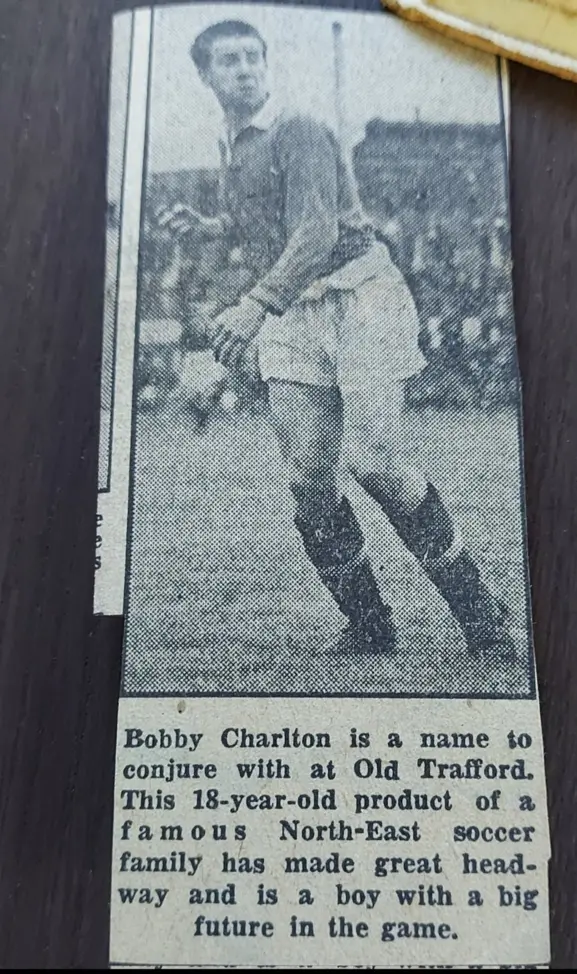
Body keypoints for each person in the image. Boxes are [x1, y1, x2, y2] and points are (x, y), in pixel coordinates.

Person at [161, 19, 516, 658]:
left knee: (375, 460)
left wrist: (251, 305)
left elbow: (317, 232)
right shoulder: (234, 144)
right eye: (227, 61)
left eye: (252, 57)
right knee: (310, 475)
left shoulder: (296, 129)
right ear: (206, 76)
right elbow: (266, 225)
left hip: (361, 295)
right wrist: (211, 227)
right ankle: (371, 626)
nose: (243, 69)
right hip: (296, 308)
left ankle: (481, 614)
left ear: (266, 64)